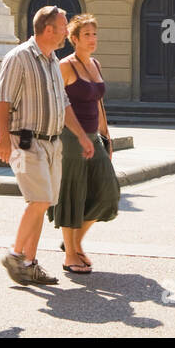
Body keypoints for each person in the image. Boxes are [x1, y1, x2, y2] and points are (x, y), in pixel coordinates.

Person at [0, 6, 95, 286]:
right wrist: (2, 138)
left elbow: (63, 102)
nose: (66, 32)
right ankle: (15, 255)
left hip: (51, 142)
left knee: (42, 202)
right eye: (63, 27)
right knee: (38, 200)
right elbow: (2, 100)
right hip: (23, 141)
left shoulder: (51, 59)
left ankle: (28, 263)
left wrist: (83, 136)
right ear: (48, 29)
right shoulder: (19, 57)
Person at [53, 14, 121, 274]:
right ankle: (71, 254)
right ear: (74, 39)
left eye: (94, 34)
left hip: (94, 136)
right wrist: (77, 134)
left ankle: (75, 242)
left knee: (109, 191)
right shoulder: (65, 66)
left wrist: (106, 136)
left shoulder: (95, 64)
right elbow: (60, 104)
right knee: (73, 194)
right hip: (70, 138)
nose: (92, 39)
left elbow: (98, 102)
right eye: (87, 35)